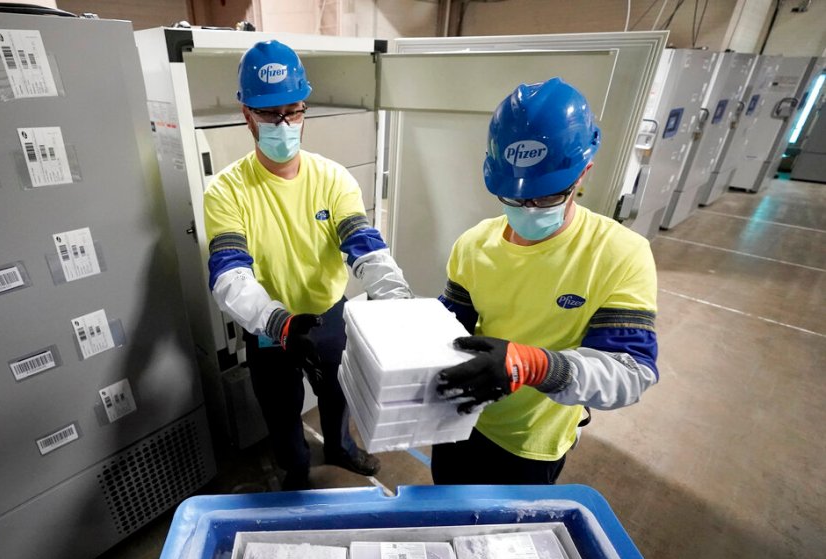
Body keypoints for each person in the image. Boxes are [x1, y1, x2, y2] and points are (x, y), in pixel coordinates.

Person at [203, 40, 412, 491]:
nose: (284, 124)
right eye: (270, 113)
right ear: (247, 116)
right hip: (267, 325)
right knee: (280, 409)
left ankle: (340, 447)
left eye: (293, 111)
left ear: (304, 110)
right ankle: (295, 469)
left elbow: (365, 245)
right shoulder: (226, 191)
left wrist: (400, 304)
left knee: (338, 394)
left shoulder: (333, 178)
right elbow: (229, 274)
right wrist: (279, 324)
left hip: (328, 313)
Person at [433, 78, 659, 485]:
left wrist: (536, 366)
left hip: (532, 442)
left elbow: (631, 371)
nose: (528, 208)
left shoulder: (620, 254)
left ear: (583, 174)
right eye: (514, 197)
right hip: (458, 422)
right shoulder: (472, 245)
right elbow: (449, 329)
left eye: (546, 196)